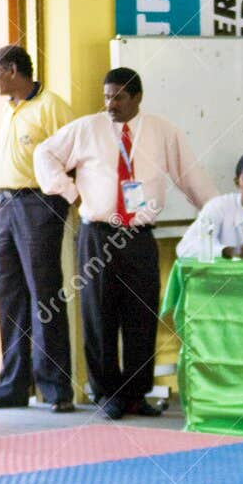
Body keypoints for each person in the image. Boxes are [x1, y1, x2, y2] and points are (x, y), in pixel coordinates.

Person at [34, 67, 216, 420]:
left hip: (139, 235)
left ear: (136, 98)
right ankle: (107, 394)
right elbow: (45, 153)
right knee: (99, 315)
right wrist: (69, 191)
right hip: (98, 233)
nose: (110, 104)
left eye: (118, 96)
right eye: (106, 96)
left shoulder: (163, 131)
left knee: (141, 316)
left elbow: (191, 177)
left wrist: (218, 213)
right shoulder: (88, 128)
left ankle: (135, 395)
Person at [0, 44, 76, 413]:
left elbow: (73, 157)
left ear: (14, 70)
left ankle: (55, 389)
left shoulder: (51, 106)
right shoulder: (10, 109)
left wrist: (63, 201)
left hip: (39, 203)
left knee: (44, 295)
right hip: (4, 203)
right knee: (9, 295)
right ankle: (13, 386)